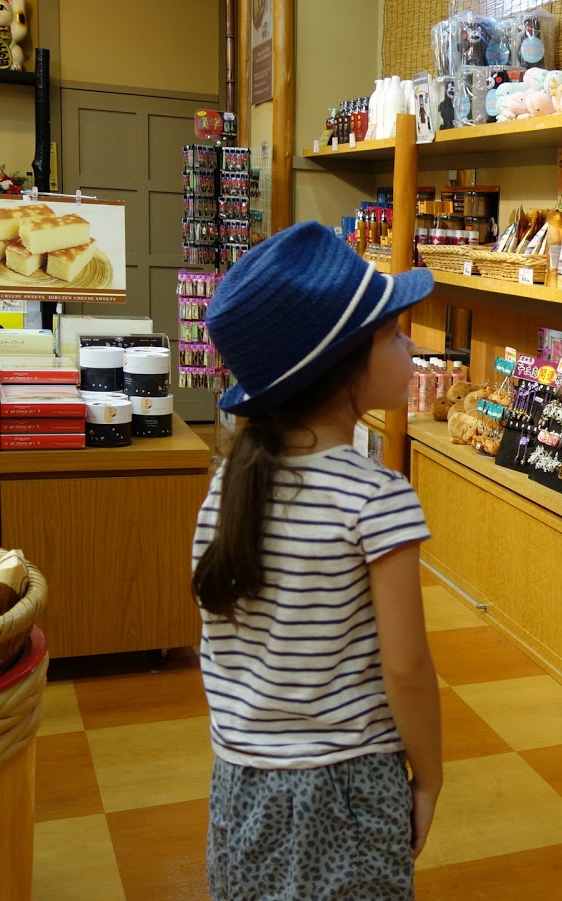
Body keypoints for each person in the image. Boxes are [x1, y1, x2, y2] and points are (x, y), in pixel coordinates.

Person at [191, 222, 441, 900]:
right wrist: (431, 774)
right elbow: (407, 667)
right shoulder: (378, 497)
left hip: (241, 783)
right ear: (342, 366)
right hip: (350, 783)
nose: (410, 346)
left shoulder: (230, 482)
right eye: (393, 334)